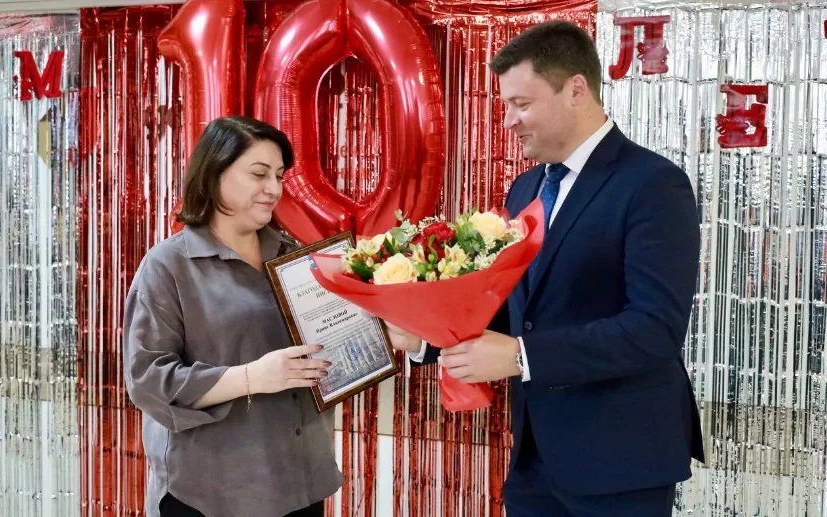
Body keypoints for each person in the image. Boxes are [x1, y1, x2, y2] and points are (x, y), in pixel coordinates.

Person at [386, 21, 704, 517]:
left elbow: (654, 330)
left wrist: (521, 357)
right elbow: (517, 307)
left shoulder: (652, 184)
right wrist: (427, 338)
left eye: (521, 104)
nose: (508, 120)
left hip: (621, 461)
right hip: (534, 459)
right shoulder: (526, 189)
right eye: (505, 105)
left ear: (576, 89)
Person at [123, 116, 343, 517]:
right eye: (259, 174)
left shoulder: (296, 256)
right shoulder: (168, 266)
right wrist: (251, 378)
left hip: (302, 482)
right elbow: (148, 381)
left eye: (279, 176)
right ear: (214, 174)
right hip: (211, 493)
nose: (274, 188)